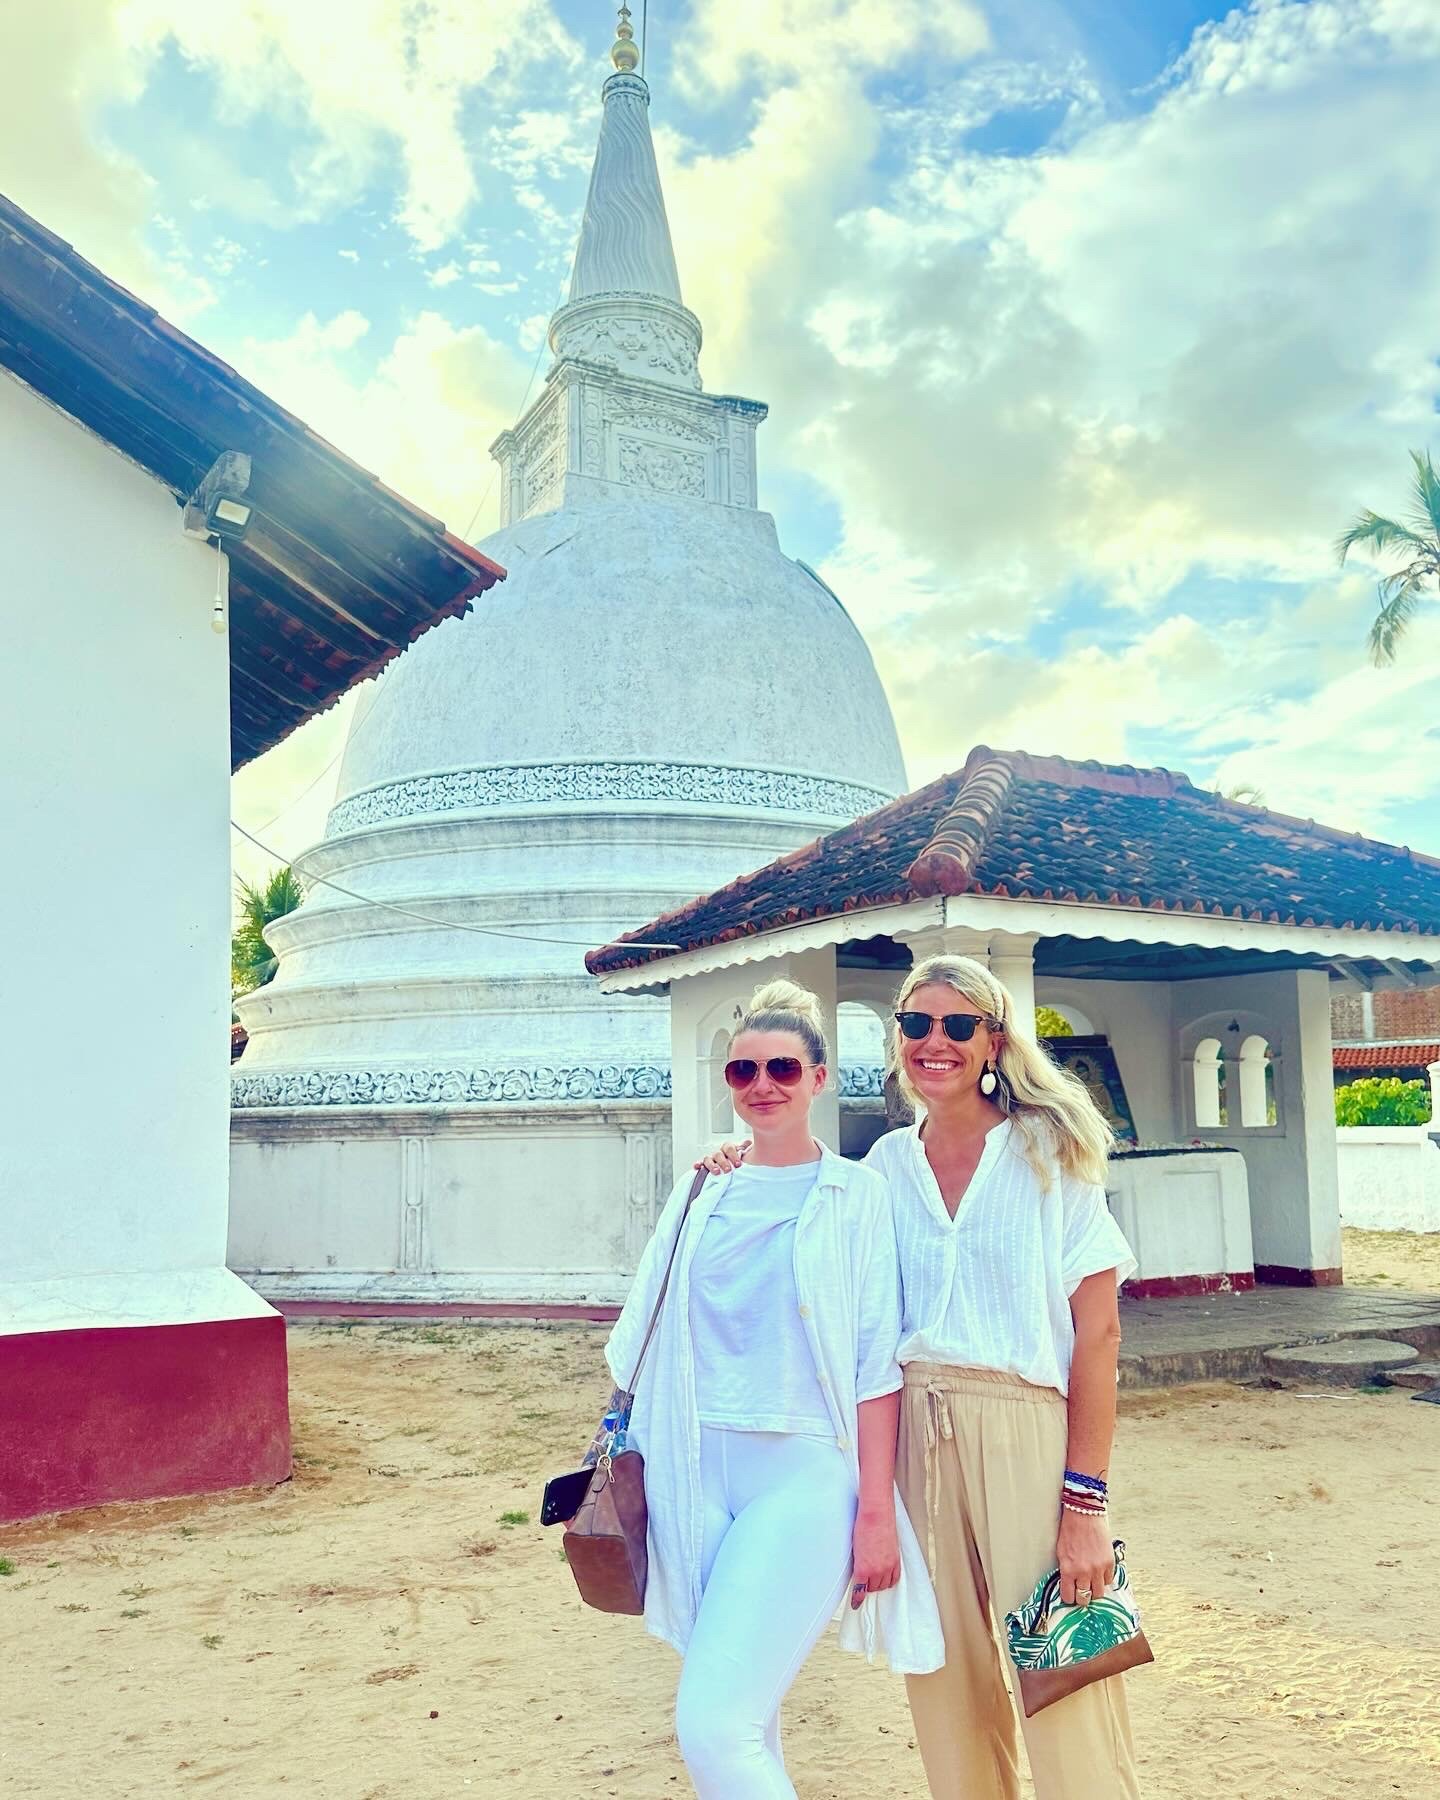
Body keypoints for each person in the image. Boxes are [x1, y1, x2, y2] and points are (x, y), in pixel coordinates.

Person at [701, 955, 1141, 1800]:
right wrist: (734, 1159)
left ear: (993, 1042)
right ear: (897, 1037)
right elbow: (808, 1246)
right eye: (915, 1024)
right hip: (913, 1442)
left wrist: (1086, 1503)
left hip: (1027, 1431)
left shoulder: (1053, 1151)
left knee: (1067, 1673)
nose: (934, 1042)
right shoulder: (879, 1173)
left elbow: (1099, 1334)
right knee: (944, 1682)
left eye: (957, 1025)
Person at [601, 977, 942, 1799]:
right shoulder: (701, 1190)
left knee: (712, 1724)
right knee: (748, 1718)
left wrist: (874, 1516)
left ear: (820, 1078)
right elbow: (638, 1339)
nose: (763, 1088)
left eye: (783, 1070)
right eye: (743, 1071)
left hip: (801, 1477)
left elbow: (873, 1364)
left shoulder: (859, 1197)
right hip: (691, 1466)